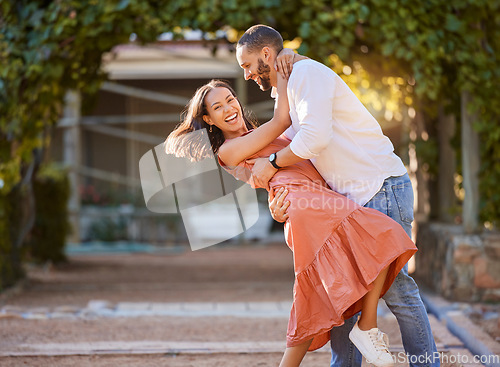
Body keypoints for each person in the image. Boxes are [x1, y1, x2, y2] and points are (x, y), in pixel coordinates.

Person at [164, 75, 417, 367]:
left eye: (230, 100)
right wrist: (284, 74)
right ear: (209, 119)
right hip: (304, 205)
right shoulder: (228, 151)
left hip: (313, 201)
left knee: (319, 293)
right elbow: (282, 120)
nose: (229, 108)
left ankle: (361, 329)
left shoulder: (258, 134)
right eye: (218, 107)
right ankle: (366, 326)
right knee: (384, 236)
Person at [235, 24, 439, 367]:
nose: (247, 73)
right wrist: (279, 198)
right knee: (344, 294)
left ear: (266, 55)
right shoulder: (286, 87)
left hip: (380, 186)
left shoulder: (306, 75)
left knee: (398, 290)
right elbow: (299, 158)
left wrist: (270, 164)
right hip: (347, 202)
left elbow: (314, 139)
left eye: (248, 64)